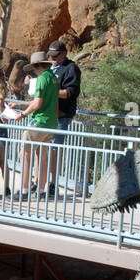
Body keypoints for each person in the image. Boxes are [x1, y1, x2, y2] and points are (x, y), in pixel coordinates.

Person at [5, 50, 58, 199]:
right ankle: (40, 190)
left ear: (36, 66)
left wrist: (22, 114)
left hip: (39, 121)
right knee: (42, 155)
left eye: (34, 68)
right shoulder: (53, 78)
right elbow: (40, 102)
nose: (34, 71)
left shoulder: (41, 79)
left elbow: (38, 103)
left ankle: (25, 190)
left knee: (25, 154)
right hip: (51, 122)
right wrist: (21, 106)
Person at [45, 40, 81, 191]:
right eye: (51, 55)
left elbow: (71, 93)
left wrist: (50, 92)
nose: (52, 58)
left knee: (55, 150)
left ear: (64, 54)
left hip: (61, 116)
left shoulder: (71, 68)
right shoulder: (48, 68)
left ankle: (53, 183)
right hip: (46, 115)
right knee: (41, 149)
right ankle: (38, 181)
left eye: (56, 55)